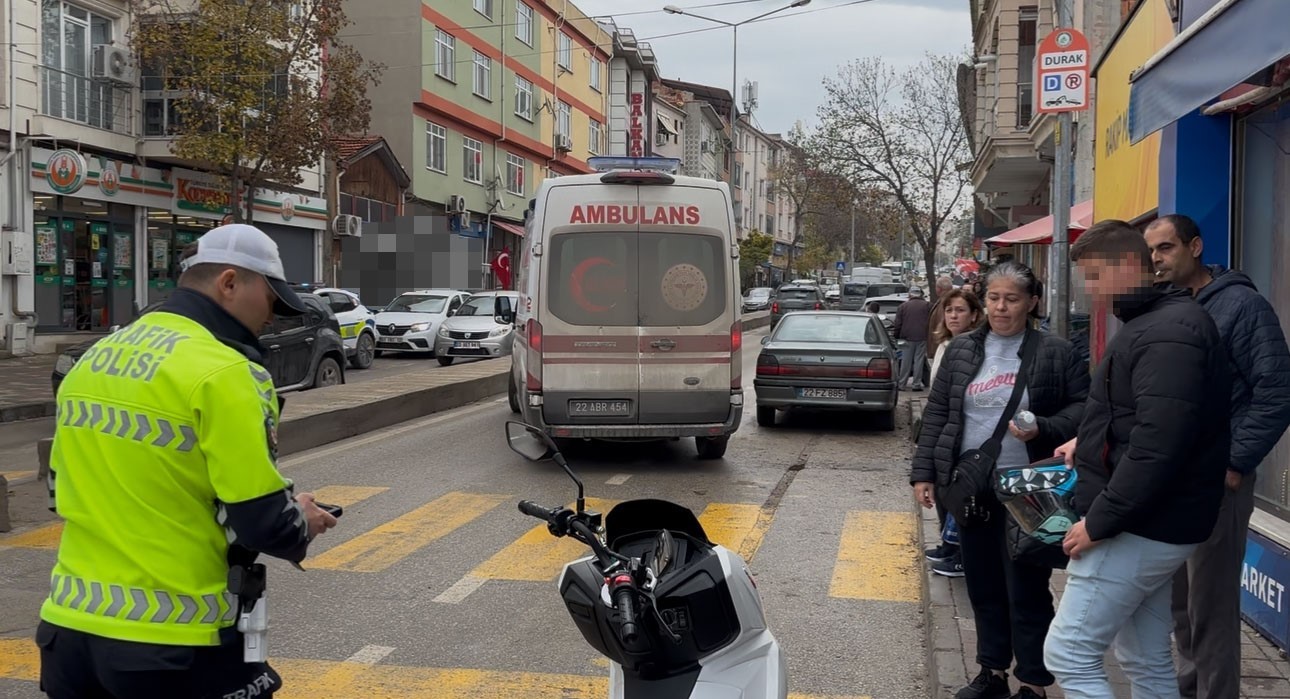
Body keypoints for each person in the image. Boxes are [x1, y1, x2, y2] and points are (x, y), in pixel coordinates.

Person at [37, 224, 338, 698]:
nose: (273, 316)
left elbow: (59, 490)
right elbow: (261, 523)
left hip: (68, 636)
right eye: (271, 299)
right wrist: (299, 518)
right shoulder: (226, 373)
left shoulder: (93, 360)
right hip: (174, 644)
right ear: (230, 283)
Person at [1044, 220, 1230, 699]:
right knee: (1144, 659)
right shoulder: (1160, 324)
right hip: (1156, 521)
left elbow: (1158, 443)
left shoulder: (1169, 332)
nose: (1089, 291)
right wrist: (1082, 444)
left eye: (1092, 275)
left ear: (1127, 266)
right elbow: (1141, 417)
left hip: (1139, 525)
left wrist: (1099, 523)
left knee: (1069, 654)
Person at [911, 261, 1088, 699]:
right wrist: (923, 473)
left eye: (1011, 299)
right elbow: (938, 414)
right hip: (973, 485)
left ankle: (1033, 681)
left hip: (1031, 488)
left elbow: (1085, 410)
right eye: (993, 298)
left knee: (1027, 587)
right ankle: (991, 673)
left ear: (1032, 302)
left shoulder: (1055, 352)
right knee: (983, 583)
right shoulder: (963, 350)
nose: (1001, 307)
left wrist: (1043, 427)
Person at [1143, 214, 1290, 699]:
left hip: (1217, 482)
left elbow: (1277, 391)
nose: (1157, 260)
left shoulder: (1242, 306)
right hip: (1174, 480)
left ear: (1196, 246)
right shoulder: (1167, 307)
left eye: (1165, 248)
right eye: (1152, 252)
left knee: (1212, 609)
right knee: (1181, 606)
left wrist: (1234, 462)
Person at [923, 287, 986, 577]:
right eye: (949, 310)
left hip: (962, 432)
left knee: (961, 496)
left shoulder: (972, 346)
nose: (953, 315)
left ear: (974, 315)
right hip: (944, 427)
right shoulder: (947, 343)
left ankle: (962, 555)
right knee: (945, 491)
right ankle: (950, 546)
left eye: (960, 310)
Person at [893, 286, 931, 391]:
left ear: (910, 295)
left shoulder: (903, 306)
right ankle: (916, 384)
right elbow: (931, 321)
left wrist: (896, 336)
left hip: (906, 337)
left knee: (906, 361)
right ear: (921, 294)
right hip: (922, 336)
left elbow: (898, 323)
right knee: (919, 360)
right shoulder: (927, 305)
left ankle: (902, 384)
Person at [926, 275, 956, 362]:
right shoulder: (945, 301)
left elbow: (943, 324)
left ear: (939, 289)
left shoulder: (947, 303)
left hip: (942, 349)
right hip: (939, 347)